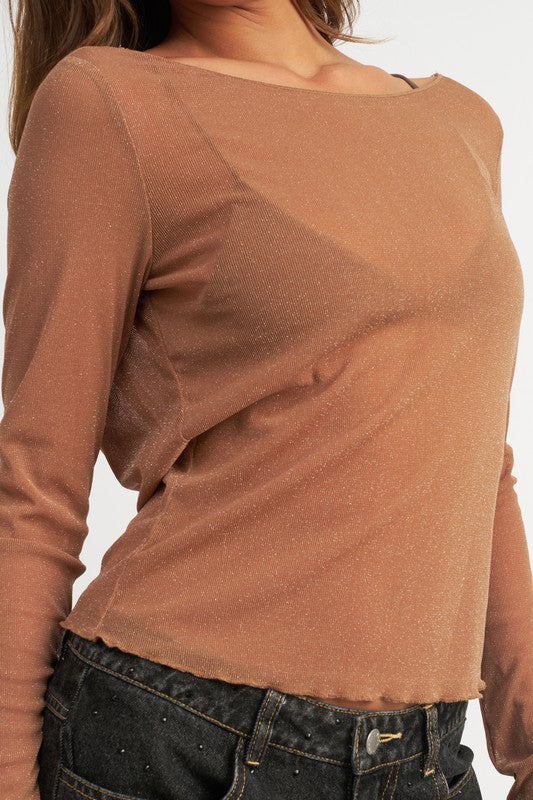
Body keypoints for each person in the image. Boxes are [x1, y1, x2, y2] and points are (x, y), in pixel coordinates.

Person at [1, 0, 531, 797]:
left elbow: (477, 465)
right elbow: (35, 489)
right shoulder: (107, 106)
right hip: (179, 736)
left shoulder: (461, 122)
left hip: (421, 755)